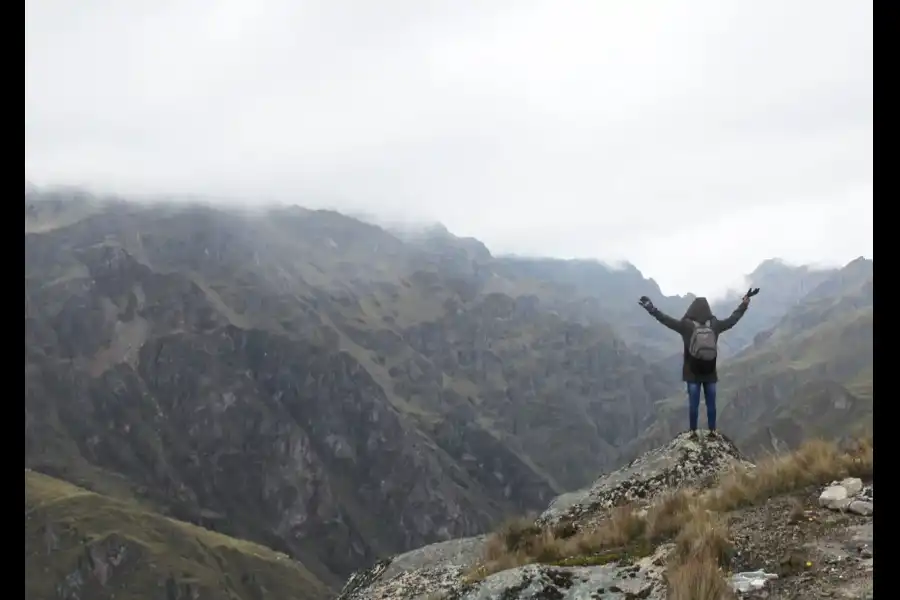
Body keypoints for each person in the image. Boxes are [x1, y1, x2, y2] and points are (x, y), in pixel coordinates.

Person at [638, 292, 753, 439]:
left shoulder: (686, 325)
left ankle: (693, 433)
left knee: (694, 405)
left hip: (692, 373)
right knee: (711, 404)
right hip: (710, 373)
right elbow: (733, 319)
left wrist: (651, 309)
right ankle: (712, 431)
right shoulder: (715, 325)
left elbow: (665, 320)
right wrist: (744, 304)